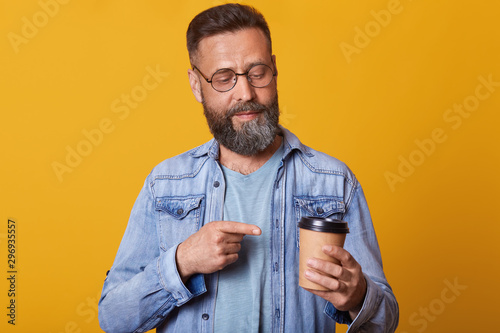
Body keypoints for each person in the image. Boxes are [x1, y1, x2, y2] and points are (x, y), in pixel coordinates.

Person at [98, 3, 399, 332]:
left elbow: (385, 319)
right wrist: (182, 260)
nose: (245, 92)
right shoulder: (166, 185)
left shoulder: (333, 182)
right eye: (224, 78)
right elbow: (115, 318)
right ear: (196, 85)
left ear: (274, 69)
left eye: (257, 73)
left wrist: (358, 295)